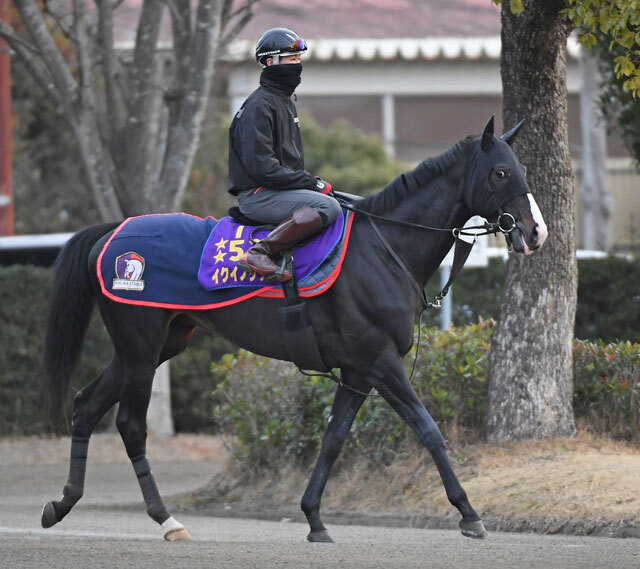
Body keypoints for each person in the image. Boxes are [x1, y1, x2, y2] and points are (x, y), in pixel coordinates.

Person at [228, 27, 341, 282]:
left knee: (344, 202)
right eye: (291, 60)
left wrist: (310, 183)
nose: (297, 66)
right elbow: (264, 169)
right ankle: (259, 252)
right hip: (259, 195)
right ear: (270, 62)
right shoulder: (259, 106)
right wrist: (309, 183)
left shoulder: (286, 101)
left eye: (298, 60)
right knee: (327, 206)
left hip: (279, 191)